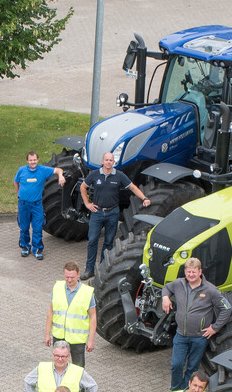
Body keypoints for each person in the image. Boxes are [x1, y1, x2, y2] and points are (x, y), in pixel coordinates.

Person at [161, 257, 232, 390]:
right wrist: (165, 298)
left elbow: (226, 308)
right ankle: (175, 390)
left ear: (200, 272)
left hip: (199, 338)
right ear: (185, 272)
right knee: (176, 364)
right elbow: (166, 288)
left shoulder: (211, 290)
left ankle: (185, 391)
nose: (191, 275)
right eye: (188, 272)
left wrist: (215, 328)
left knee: (192, 367)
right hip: (181, 335)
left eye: (194, 272)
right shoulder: (178, 284)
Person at [79, 151, 151, 281]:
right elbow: (83, 187)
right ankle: (89, 269)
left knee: (108, 242)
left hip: (113, 212)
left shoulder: (119, 176)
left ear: (113, 162)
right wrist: (87, 203)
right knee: (93, 240)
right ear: (102, 161)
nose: (108, 162)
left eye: (111, 160)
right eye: (106, 160)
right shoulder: (94, 174)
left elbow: (133, 188)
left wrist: (144, 198)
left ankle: (102, 267)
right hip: (97, 212)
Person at [14, 151, 66, 260]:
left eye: (34, 160)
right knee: (24, 227)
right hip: (23, 205)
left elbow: (58, 170)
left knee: (37, 228)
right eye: (30, 160)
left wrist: (61, 176)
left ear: (37, 160)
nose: (33, 162)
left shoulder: (43, 170)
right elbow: (16, 181)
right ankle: (25, 247)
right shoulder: (21, 170)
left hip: (37, 205)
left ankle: (37, 249)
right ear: (27, 161)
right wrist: (19, 194)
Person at [46, 261, 97, 367]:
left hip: (77, 340)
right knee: (58, 366)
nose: (69, 280)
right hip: (59, 336)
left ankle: (76, 384)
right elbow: (50, 312)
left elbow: (93, 317)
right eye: (67, 277)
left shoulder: (87, 293)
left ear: (78, 274)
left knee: (78, 369)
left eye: (72, 277)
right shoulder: (57, 287)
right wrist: (47, 334)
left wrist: (91, 340)